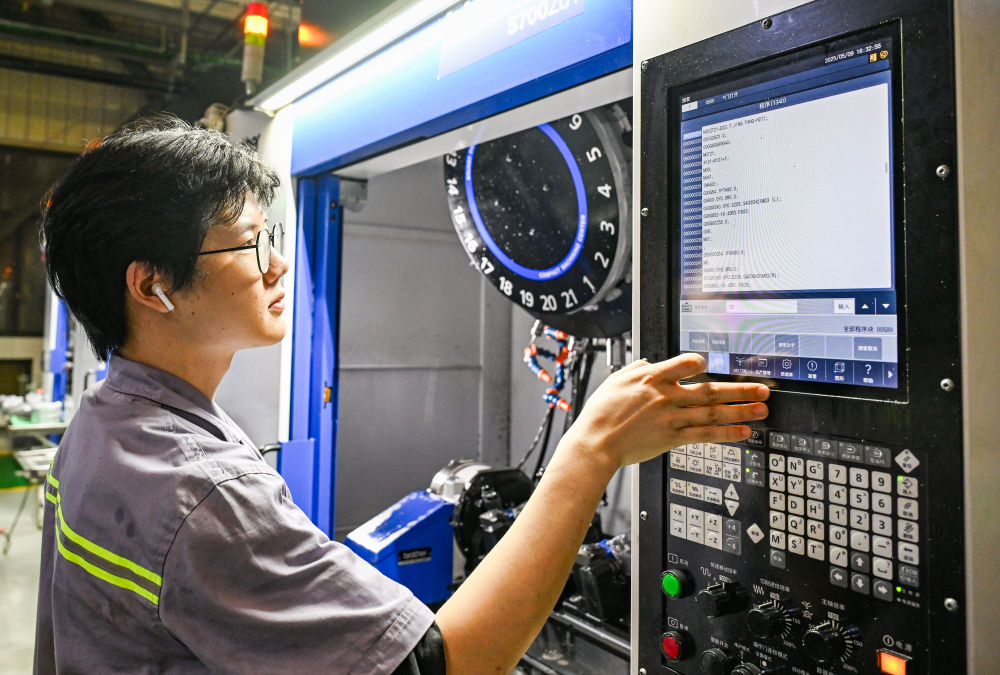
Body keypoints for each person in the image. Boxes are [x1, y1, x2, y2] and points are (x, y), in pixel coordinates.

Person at [35, 117, 769, 674]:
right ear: (152, 286)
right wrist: (592, 449)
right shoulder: (202, 494)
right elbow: (450, 664)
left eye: (272, 234)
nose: (278, 263)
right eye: (250, 242)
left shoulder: (101, 427)